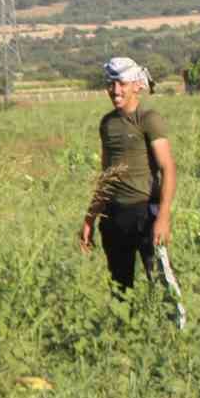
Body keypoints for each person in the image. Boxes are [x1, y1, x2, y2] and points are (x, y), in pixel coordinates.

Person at [79, 56, 176, 293]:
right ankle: (126, 326)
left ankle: (174, 330)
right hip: (113, 216)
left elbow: (168, 168)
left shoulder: (148, 119)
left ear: (136, 85)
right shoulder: (107, 123)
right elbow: (106, 176)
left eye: (121, 83)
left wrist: (162, 218)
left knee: (163, 283)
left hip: (144, 213)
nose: (115, 90)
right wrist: (90, 218)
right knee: (119, 288)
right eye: (111, 84)